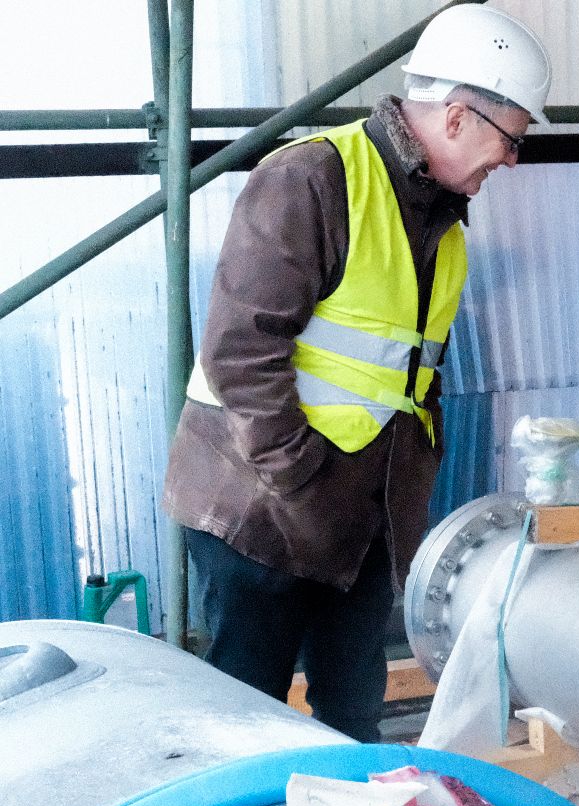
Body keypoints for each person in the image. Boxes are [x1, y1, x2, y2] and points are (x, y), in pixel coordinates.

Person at [162, 6, 552, 742]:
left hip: (355, 519)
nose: (511, 159)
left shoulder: (442, 225)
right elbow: (240, 353)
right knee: (248, 725)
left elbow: (407, 380)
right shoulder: (313, 179)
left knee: (351, 719)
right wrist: (300, 478)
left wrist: (392, 501)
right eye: (511, 136)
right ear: (461, 117)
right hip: (261, 513)